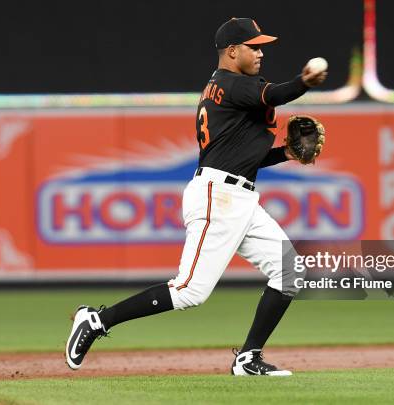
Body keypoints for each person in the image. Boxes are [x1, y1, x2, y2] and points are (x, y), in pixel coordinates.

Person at [65, 17, 327, 376]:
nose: (261, 52)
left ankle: (248, 358)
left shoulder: (231, 89)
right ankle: (96, 320)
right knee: (189, 291)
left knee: (289, 271)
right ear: (232, 51)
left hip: (237, 193)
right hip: (218, 197)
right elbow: (275, 95)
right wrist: (304, 83)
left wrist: (286, 153)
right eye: (254, 46)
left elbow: (242, 157)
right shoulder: (231, 84)